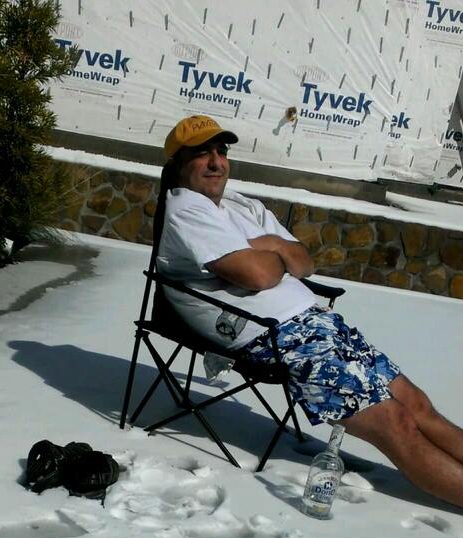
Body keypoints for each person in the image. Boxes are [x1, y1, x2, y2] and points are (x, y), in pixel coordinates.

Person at [156, 114, 463, 508]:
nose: (216, 162)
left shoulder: (241, 205)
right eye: (202, 154)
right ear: (178, 164)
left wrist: (271, 248)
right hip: (274, 338)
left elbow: (304, 262)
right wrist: (271, 254)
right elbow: (258, 275)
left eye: (221, 151)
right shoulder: (186, 209)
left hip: (318, 323)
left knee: (417, 404)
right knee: (396, 422)